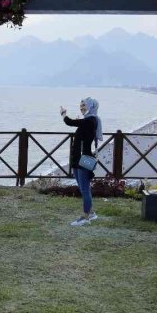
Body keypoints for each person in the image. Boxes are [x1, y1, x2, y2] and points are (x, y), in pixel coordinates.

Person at [62, 97, 103, 226]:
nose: (82, 107)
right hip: (77, 159)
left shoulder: (91, 120)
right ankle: (91, 213)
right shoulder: (87, 120)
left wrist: (63, 115)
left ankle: (85, 217)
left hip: (83, 160)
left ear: (91, 106)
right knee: (83, 188)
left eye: (84, 105)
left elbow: (70, 122)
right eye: (81, 105)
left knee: (85, 189)